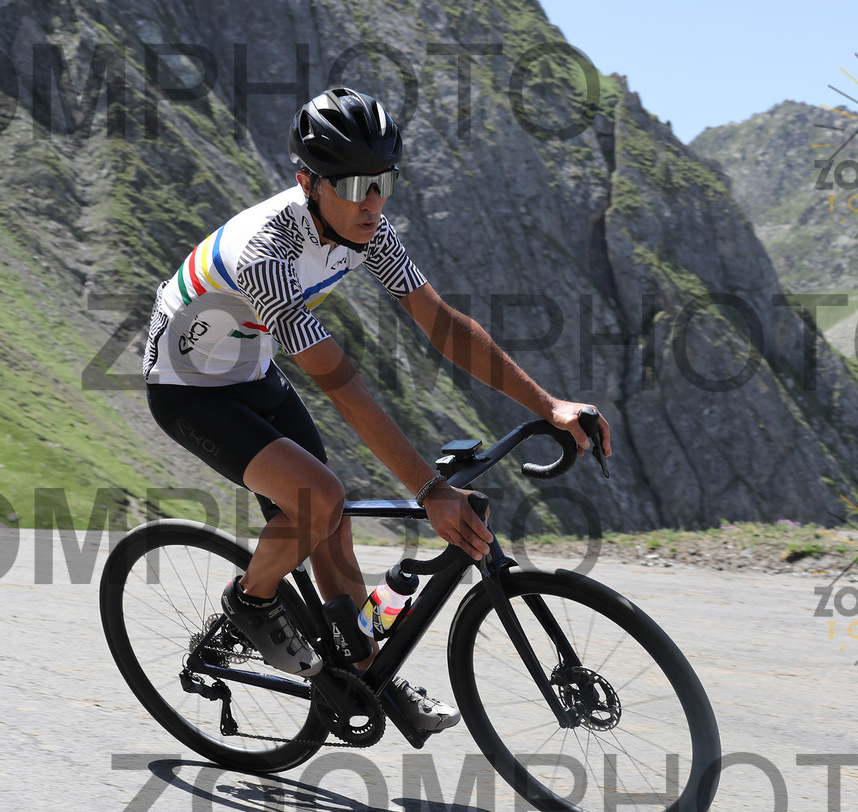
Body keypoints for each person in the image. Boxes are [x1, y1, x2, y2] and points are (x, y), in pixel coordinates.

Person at [141, 86, 611, 735]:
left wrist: (549, 405)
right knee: (319, 497)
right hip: (187, 385)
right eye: (355, 184)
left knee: (331, 527)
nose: (372, 202)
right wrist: (431, 490)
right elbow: (343, 387)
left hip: (249, 367)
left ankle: (366, 674)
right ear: (308, 183)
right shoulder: (267, 255)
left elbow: (441, 324)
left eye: (383, 182)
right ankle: (250, 600)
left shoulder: (367, 230)